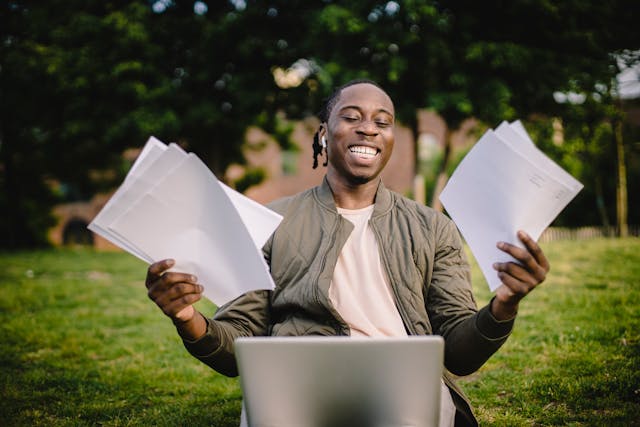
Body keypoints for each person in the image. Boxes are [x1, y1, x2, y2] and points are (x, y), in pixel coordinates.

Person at [145, 79, 549, 426]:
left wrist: (504, 306)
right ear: (324, 133)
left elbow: (460, 353)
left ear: (390, 139)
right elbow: (238, 347)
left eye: (382, 122)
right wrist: (186, 317)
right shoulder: (270, 223)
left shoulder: (433, 228)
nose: (368, 129)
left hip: (404, 395)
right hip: (295, 389)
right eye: (351, 117)